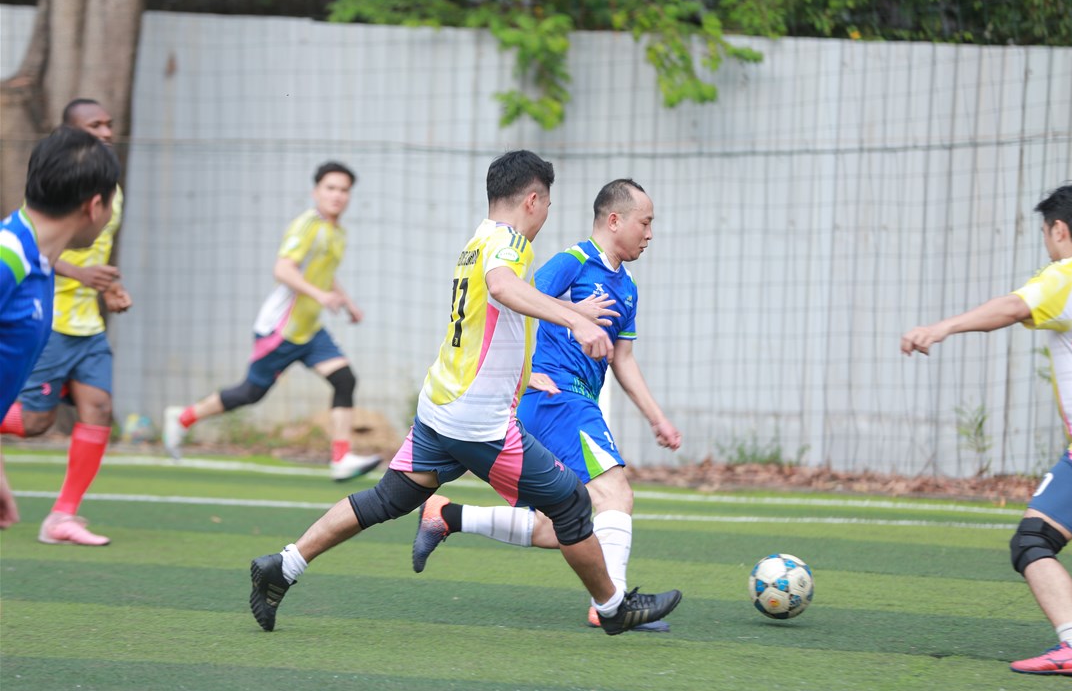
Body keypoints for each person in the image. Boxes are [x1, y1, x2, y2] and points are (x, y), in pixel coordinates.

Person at [247, 150, 682, 635]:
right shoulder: (510, 244)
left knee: (387, 499)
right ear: (532, 200)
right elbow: (503, 288)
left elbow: (495, 318)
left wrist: (535, 363)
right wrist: (576, 319)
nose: (547, 212)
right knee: (572, 504)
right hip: (478, 421)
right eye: (548, 203)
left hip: (440, 405)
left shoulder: (477, 240)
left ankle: (283, 565)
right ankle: (613, 607)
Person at [412, 178, 682, 632]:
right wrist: (528, 371)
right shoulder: (573, 262)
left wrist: (658, 419)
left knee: (561, 526)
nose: (650, 234)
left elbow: (623, 359)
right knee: (615, 493)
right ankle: (613, 606)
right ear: (615, 221)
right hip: (560, 397)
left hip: (564, 402)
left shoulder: (628, 287)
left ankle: (447, 515)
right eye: (646, 222)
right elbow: (516, 305)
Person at [900, 182, 1072, 677]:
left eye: (1045, 234)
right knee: (1034, 538)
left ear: (1058, 230)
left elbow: (1013, 306)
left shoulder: (1067, 275)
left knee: (1032, 542)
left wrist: (941, 328)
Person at [162, 161, 381, 482]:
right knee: (250, 393)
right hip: (282, 329)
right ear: (316, 192)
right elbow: (283, 269)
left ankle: (341, 458)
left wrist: (347, 302)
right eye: (330, 188)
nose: (337, 195)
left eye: (344, 190)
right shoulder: (306, 225)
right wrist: (321, 297)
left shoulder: (337, 233)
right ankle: (183, 418)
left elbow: (323, 272)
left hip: (310, 330)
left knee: (345, 380)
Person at [1, 99, 132, 547]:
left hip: (85, 327)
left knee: (95, 408)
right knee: (35, 419)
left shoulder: (32, 261)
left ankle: (63, 515)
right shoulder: (10, 261)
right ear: (95, 206)